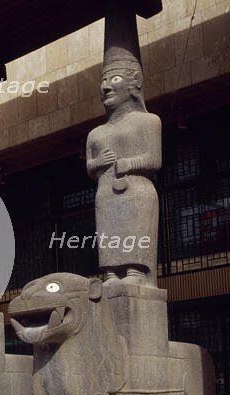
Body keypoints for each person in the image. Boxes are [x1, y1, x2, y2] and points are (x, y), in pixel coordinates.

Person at [86, 4, 162, 287]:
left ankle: (135, 270)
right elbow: (90, 168)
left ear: (134, 83)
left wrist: (130, 163)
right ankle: (111, 271)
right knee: (109, 234)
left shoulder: (148, 121)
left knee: (134, 230)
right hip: (106, 193)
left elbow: (154, 159)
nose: (105, 86)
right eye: (103, 80)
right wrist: (99, 163)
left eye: (113, 79)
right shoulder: (95, 133)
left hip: (136, 191)